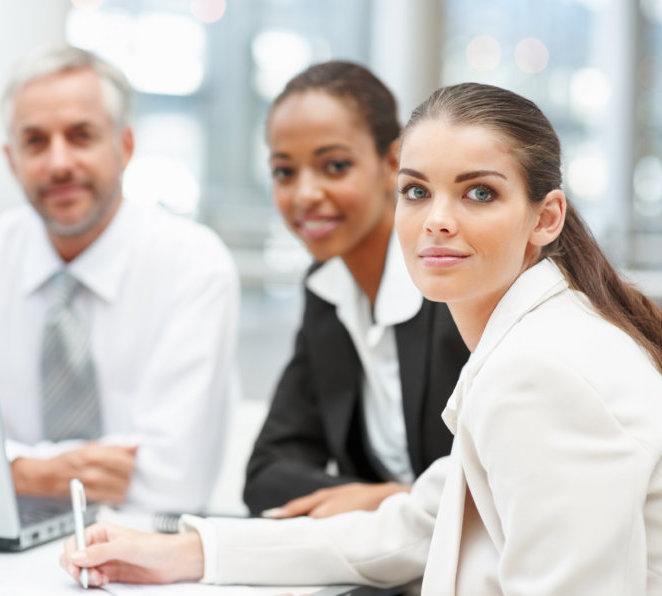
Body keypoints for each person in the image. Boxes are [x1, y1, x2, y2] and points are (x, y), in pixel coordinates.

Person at [61, 83, 662, 594]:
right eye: (417, 191)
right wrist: (188, 552)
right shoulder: (537, 340)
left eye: (480, 192)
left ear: (546, 217)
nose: (438, 220)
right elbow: (415, 524)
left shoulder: (543, 371)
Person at [0, 45, 240, 510]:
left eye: (81, 135)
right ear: (11, 160)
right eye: (35, 142)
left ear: (125, 146)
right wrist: (37, 473)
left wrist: (13, 470)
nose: (59, 163)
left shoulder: (192, 265)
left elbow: (174, 482)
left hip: (151, 565)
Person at [243, 61, 468, 518]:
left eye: (335, 166)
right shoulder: (328, 289)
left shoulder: (456, 289)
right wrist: (375, 504)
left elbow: (501, 482)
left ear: (392, 163)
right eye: (285, 172)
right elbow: (268, 473)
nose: (304, 194)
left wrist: (393, 500)